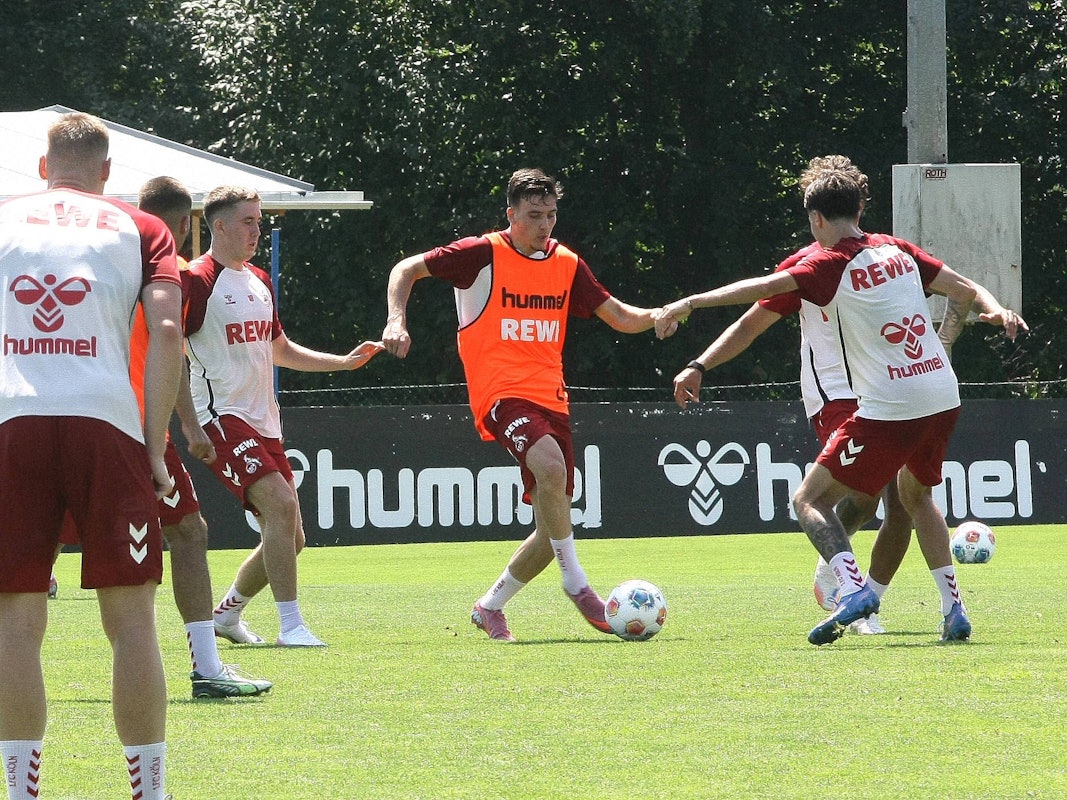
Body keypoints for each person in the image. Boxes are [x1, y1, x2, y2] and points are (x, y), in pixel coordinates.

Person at [654, 154, 1021, 646]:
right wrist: (984, 317)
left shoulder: (825, 263)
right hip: (935, 391)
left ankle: (854, 591)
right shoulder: (896, 248)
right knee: (909, 499)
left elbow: (759, 288)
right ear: (861, 208)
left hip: (885, 401)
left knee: (814, 499)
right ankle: (946, 607)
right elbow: (962, 288)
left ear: (816, 218)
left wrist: (690, 302)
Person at [381, 167, 672, 642]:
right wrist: (396, 319)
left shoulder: (567, 263)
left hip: (551, 398)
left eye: (551, 215)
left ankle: (489, 606)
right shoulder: (482, 253)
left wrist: (657, 316)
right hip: (500, 394)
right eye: (534, 215)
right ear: (511, 214)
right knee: (552, 471)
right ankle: (578, 585)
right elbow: (406, 269)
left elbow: (618, 315)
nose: (544, 226)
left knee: (549, 524)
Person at [0, 112, 180, 799]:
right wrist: (154, 440)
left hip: (13, 420)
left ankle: (22, 792)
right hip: (106, 423)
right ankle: (148, 792)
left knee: (15, 623)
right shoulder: (142, 227)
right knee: (131, 621)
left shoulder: (6, 216)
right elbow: (165, 329)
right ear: (108, 175)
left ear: (42, 169)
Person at [185, 185, 384, 648]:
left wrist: (342, 362)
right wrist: (188, 423)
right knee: (279, 504)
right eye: (248, 221)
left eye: (259, 220)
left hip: (263, 420)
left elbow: (279, 349)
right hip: (219, 415)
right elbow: (169, 347)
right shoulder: (197, 279)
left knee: (291, 538)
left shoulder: (258, 279)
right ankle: (291, 625)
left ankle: (227, 614)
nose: (257, 229)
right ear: (218, 225)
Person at [139, 177, 274, 696]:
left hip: (61, 420)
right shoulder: (165, 270)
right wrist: (187, 425)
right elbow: (167, 343)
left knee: (45, 539)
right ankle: (207, 669)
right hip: (133, 424)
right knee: (187, 535)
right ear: (183, 225)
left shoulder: (96, 260)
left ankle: (212, 659)